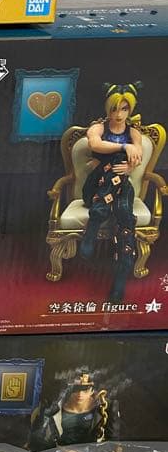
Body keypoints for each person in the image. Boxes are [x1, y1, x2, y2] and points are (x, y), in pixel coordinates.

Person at [79, 83, 143, 302]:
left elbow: (137, 157)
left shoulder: (133, 132)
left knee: (124, 211)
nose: (119, 114)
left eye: (124, 109)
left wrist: (130, 167)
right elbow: (95, 145)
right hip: (95, 187)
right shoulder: (98, 128)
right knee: (114, 166)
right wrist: (124, 148)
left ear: (130, 109)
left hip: (121, 186)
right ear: (108, 108)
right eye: (114, 109)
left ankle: (120, 277)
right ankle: (96, 218)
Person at [28, 370, 118, 451]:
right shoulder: (54, 407)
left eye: (85, 390)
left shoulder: (105, 408)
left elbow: (113, 442)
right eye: (76, 389)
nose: (80, 394)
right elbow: (38, 439)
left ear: (92, 390)